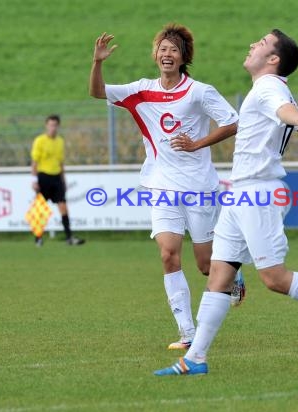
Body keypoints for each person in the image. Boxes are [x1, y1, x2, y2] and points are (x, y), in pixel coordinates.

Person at [154, 29, 298, 376]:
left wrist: (296, 117)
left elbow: (284, 111)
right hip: (240, 193)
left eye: (262, 43)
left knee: (273, 278)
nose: (252, 44)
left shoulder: (270, 87)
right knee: (219, 277)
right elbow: (290, 118)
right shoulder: (268, 88)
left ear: (273, 60)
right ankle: (195, 359)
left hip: (259, 194)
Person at [89, 24, 246, 350]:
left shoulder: (199, 91)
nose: (167, 54)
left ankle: (232, 275)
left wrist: (198, 143)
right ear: (156, 55)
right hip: (161, 186)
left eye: (174, 49)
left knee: (206, 266)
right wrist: (98, 62)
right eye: (163, 48)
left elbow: (233, 122)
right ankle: (187, 333)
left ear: (183, 56)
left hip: (200, 187)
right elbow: (98, 92)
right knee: (168, 255)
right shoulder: (141, 90)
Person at [31, 115, 85, 247]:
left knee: (63, 207)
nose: (53, 128)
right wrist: (34, 180)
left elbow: (61, 163)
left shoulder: (60, 141)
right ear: (46, 126)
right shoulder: (40, 141)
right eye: (50, 125)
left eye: (55, 125)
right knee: (41, 209)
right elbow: (34, 162)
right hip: (43, 177)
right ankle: (38, 238)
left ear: (58, 126)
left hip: (56, 178)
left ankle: (69, 237)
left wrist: (63, 180)